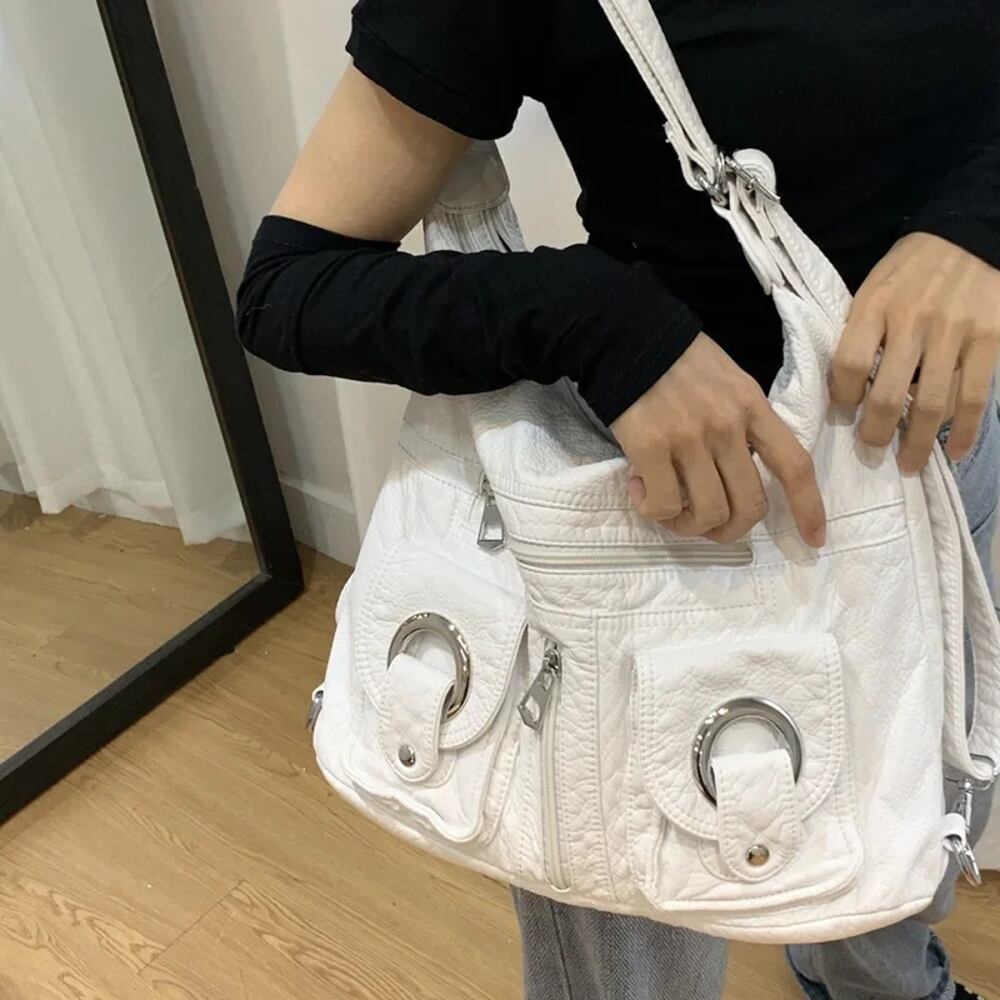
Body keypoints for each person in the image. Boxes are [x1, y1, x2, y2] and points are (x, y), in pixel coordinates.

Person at [236, 3, 1000, 998]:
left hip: (936, 444)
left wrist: (980, 223)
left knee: (903, 818)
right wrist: (594, 318)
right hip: (663, 512)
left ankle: (874, 980)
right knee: (626, 911)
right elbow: (289, 286)